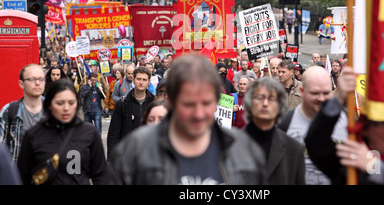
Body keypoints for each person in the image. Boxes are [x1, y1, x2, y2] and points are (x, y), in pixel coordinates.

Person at [107, 54, 266, 185]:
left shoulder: (245, 152)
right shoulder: (135, 151)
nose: (198, 113)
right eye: (188, 104)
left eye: (206, 103)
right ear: (171, 101)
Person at [17, 79, 108, 185]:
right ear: (49, 104)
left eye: (71, 103)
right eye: (60, 103)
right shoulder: (33, 135)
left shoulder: (89, 133)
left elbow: (101, 175)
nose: (66, 108)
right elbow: (22, 176)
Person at [278, 66, 348, 185]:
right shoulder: (285, 122)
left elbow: (370, 165)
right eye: (315, 93)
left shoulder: (347, 121)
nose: (321, 98)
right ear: (302, 92)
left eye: (326, 93)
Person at [243, 77, 305, 184]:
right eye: (260, 97)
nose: (265, 103)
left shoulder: (294, 149)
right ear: (250, 103)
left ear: (279, 106)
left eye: (271, 99)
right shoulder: (230, 144)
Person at [107, 66, 155, 161]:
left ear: (149, 82)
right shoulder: (122, 104)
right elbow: (113, 134)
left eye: (144, 80)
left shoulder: (154, 103)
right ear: (133, 80)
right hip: (128, 155)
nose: (141, 82)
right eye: (138, 79)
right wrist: (112, 158)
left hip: (150, 154)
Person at [0, 64, 45, 162]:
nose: (37, 83)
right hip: (17, 175)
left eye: (41, 79)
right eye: (32, 79)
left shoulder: (54, 111)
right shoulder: (8, 111)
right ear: (21, 83)